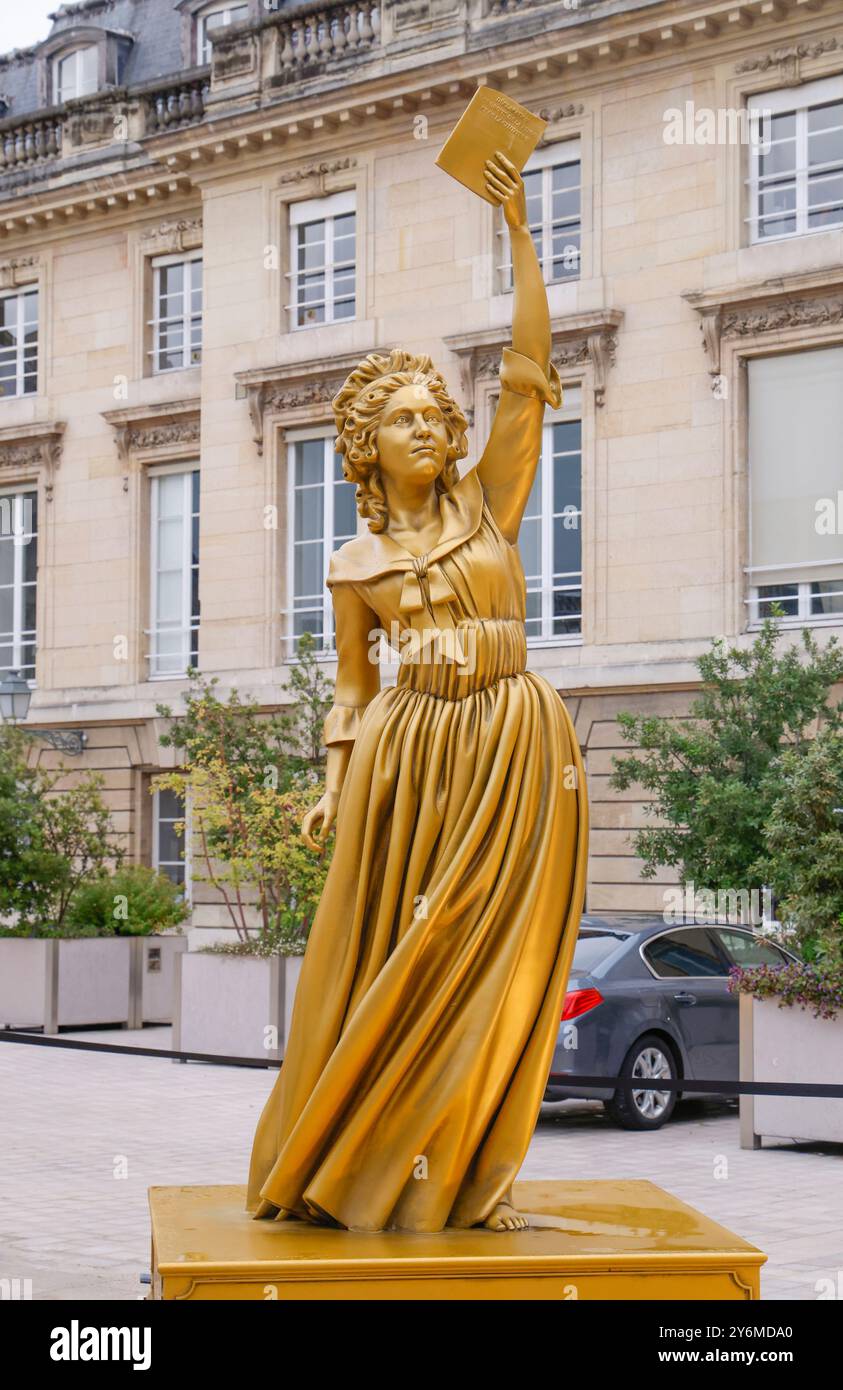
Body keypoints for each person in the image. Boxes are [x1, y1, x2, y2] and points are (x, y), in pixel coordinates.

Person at [246, 151, 588, 1233]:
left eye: (439, 411)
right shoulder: (352, 565)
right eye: (409, 418)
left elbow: (531, 361)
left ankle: (462, 1158)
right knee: (403, 950)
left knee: (499, 962)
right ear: (370, 446)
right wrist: (332, 784)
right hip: (412, 756)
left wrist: (523, 233)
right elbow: (351, 688)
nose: (433, 425)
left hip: (518, 742)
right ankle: (364, 1165)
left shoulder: (493, 502)